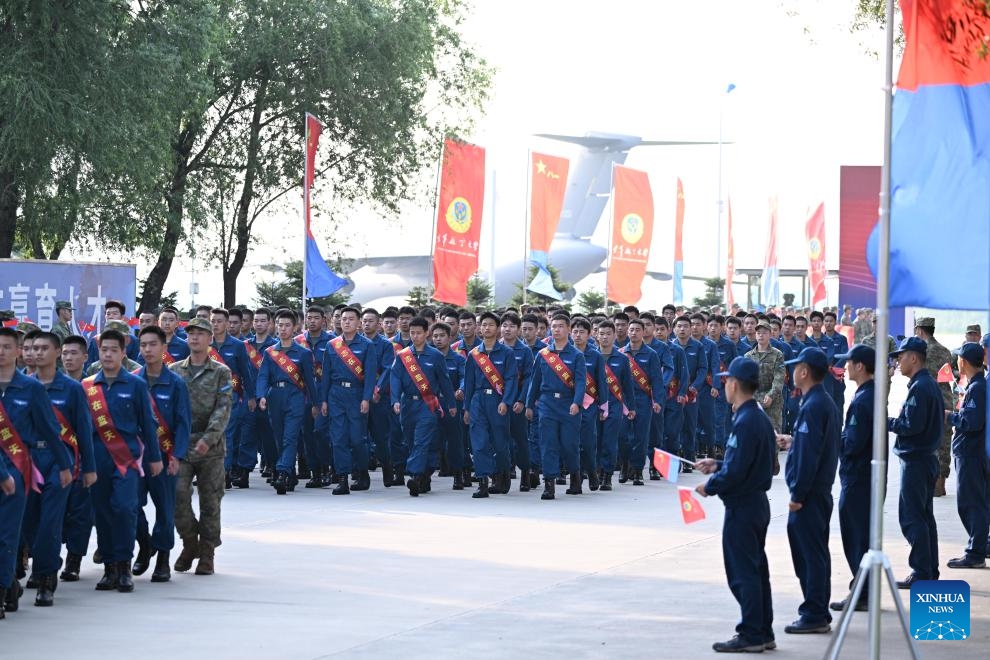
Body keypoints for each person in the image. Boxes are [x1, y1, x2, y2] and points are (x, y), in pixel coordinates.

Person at [696, 357, 777, 653]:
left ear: (734, 384)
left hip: (744, 506)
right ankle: (763, 630)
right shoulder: (756, 417)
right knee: (756, 570)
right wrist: (717, 464)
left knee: (743, 573)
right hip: (754, 502)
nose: (725, 386)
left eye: (727, 381)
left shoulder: (746, 420)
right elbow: (751, 462)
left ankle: (752, 633)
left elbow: (739, 469)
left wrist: (711, 485)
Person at [83, 328, 163, 593]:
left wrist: (154, 457)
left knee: (125, 508)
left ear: (123, 352)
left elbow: (148, 424)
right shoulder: (88, 386)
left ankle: (124, 565)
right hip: (97, 457)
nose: (107, 354)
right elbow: (81, 429)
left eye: (113, 350)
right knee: (102, 511)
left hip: (127, 458)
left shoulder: (136, 384)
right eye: (104, 349)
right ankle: (109, 568)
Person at [25, 331, 92, 606]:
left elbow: (84, 429)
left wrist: (89, 467)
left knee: (50, 521)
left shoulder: (73, 389)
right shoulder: (22, 386)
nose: (38, 353)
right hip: (27, 461)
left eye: (44, 348)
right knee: (29, 523)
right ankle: (42, 561)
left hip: (59, 461)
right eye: (34, 348)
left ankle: (45, 577)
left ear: (57, 353)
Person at [777, 347, 840, 634]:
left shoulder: (815, 405)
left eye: (795, 367)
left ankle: (815, 612)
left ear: (804, 371)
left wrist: (797, 496)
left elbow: (810, 458)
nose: (791, 372)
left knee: (810, 555)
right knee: (813, 553)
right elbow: (811, 446)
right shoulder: (818, 402)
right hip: (815, 493)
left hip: (810, 496)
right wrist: (794, 441)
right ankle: (817, 609)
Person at [170, 318, 233, 576]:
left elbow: (223, 409)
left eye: (200, 334)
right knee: (177, 496)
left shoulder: (221, 372)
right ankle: (189, 542)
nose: (194, 338)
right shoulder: (174, 371)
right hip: (182, 446)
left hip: (212, 448)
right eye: (191, 334)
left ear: (210, 339)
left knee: (211, 501)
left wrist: (209, 439)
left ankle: (207, 553)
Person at [132, 325, 191, 583]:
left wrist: (177, 456)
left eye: (152, 344)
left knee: (165, 509)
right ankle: (145, 545)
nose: (147, 350)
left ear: (164, 348)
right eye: (143, 345)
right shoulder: (132, 380)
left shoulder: (176, 383)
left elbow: (183, 423)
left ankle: (163, 559)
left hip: (166, 456)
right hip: (135, 457)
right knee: (131, 505)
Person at [887, 336, 943, 588]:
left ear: (913, 357)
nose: (898, 360)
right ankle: (928, 569)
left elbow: (911, 425)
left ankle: (921, 571)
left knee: (912, 517)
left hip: (917, 460)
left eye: (901, 355)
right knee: (923, 516)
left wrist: (885, 421)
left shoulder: (921, 387)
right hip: (924, 459)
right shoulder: (924, 384)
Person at [829, 344, 878, 613]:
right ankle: (863, 590)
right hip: (863, 475)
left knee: (856, 536)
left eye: (849, 362)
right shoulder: (868, 394)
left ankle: (861, 593)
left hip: (858, 477)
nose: (845, 366)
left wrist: (834, 442)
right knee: (861, 535)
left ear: (860, 366)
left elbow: (854, 442)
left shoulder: (863, 399)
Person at [390, 317, 456, 496]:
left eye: (419, 333)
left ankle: (415, 476)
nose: (415, 336)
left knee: (422, 441)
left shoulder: (435, 355)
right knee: (411, 441)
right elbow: (395, 378)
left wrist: (451, 403)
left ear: (426, 333)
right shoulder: (403, 356)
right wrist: (395, 399)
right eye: (412, 333)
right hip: (407, 404)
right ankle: (425, 475)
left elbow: (444, 381)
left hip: (428, 405)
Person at [257, 310, 318, 494]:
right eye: (280, 325)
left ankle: (282, 472)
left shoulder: (304, 353)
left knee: (290, 436)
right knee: (279, 437)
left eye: (287, 325)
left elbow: (310, 381)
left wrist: (315, 403)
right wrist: (261, 396)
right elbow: (263, 376)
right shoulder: (270, 352)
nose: (283, 329)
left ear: (295, 328)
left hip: (295, 397)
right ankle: (289, 473)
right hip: (275, 396)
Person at [526, 314, 587, 499]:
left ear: (568, 329)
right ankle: (549, 484)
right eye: (554, 326)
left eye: (561, 326)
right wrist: (529, 404)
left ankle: (575, 477)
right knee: (548, 444)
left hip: (568, 404)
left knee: (570, 444)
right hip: (547, 404)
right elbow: (534, 381)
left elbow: (581, 382)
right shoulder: (543, 354)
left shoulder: (576, 355)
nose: (557, 329)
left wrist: (577, 403)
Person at [322, 307, 377, 495]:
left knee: (357, 439)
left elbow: (370, 376)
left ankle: (361, 471)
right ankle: (343, 478)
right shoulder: (332, 345)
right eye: (343, 319)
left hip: (356, 394)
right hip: (336, 394)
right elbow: (326, 376)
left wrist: (366, 398)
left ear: (358, 322)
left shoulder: (367, 345)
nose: (346, 322)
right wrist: (324, 400)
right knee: (338, 438)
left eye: (351, 319)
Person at [463, 312, 518, 498]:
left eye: (491, 325)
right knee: (479, 442)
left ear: (497, 328)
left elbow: (511, 379)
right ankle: (483, 481)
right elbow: (468, 383)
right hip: (478, 400)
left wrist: (506, 401)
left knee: (500, 442)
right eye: (483, 324)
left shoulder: (507, 353)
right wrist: (467, 408)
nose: (486, 328)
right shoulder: (474, 354)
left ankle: (502, 474)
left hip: (497, 401)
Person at [945, 342, 988, 569]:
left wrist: (951, 416)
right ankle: (979, 546)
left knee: (971, 503)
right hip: (970, 451)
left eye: (959, 358)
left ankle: (975, 552)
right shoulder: (975, 385)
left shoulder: (977, 388)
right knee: (975, 501)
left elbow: (971, 422)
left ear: (964, 361)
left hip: (971, 453)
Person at [209, 308, 256, 491]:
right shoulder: (205, 345)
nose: (215, 324)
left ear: (227, 323)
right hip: (208, 397)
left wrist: (251, 396)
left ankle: (225, 472)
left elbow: (246, 372)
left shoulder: (237, 345)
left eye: (219, 321)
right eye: (213, 321)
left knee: (227, 435)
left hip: (231, 396)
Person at [913, 317, 954, 496]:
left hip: (926, 400)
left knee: (925, 439)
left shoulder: (920, 352)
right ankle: (941, 483)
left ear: (920, 330)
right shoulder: (946, 351)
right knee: (944, 442)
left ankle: (927, 482)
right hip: (945, 399)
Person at [296, 305, 333, 488]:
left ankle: (327, 468)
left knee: (322, 433)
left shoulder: (333, 342)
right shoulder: (297, 342)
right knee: (307, 435)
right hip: (303, 396)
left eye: (316, 318)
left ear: (323, 320)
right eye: (309, 318)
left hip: (324, 394)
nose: (312, 321)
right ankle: (315, 472)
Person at [432, 322, 467, 490]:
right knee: (432, 440)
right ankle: (425, 475)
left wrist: (461, 389)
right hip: (431, 404)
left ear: (450, 337)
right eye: (435, 336)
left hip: (452, 404)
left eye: (442, 336)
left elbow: (464, 377)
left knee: (455, 441)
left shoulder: (458, 359)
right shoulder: (427, 357)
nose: (438, 339)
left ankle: (458, 474)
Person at [572, 317, 606, 491]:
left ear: (590, 334)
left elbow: (602, 382)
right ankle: (576, 477)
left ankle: (592, 471)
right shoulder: (565, 354)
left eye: (582, 332)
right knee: (571, 443)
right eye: (575, 332)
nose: (578, 335)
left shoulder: (595, 355)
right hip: (569, 405)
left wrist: (603, 405)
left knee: (588, 442)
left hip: (589, 405)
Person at [746, 322, 786, 431]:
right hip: (753, 400)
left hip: (772, 401)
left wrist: (771, 395)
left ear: (770, 335)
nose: (761, 335)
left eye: (764, 333)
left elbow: (779, 377)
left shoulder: (777, 354)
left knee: (773, 434)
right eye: (758, 333)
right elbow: (744, 380)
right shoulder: (748, 356)